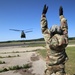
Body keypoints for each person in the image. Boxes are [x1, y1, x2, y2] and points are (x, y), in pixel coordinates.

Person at [40, 4, 69, 75]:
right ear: (60, 31)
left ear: (51, 31)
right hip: (60, 66)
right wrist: (61, 16)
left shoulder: (48, 39)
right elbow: (65, 28)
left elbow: (44, 29)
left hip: (50, 66)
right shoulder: (64, 38)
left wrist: (43, 15)